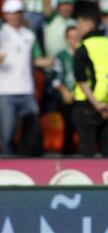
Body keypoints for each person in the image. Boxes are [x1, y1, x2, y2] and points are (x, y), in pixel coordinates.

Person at [0, 0, 54, 155]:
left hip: (26, 89)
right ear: (5, 14)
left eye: (17, 12)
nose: (14, 16)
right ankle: (6, 168)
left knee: (34, 128)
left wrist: (50, 61)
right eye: (11, 13)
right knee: (7, 134)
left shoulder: (29, 35)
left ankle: (30, 162)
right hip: (5, 91)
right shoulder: (1, 33)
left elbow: (36, 59)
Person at [73, 6, 108, 157]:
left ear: (87, 23)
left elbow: (81, 80)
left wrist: (97, 105)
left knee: (87, 150)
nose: (77, 28)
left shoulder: (84, 47)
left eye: (78, 24)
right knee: (107, 149)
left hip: (87, 105)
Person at [52, 26, 79, 155]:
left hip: (82, 97)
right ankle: (67, 154)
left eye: (77, 37)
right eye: (72, 37)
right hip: (66, 98)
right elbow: (55, 78)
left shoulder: (84, 54)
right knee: (68, 126)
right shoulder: (61, 56)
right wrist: (64, 91)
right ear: (67, 39)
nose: (75, 40)